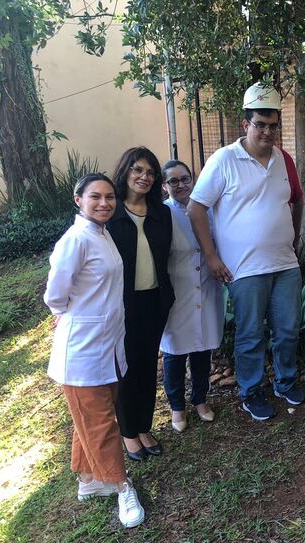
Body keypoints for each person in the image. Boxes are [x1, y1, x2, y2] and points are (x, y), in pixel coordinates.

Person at [188, 82, 304, 422]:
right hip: (244, 269)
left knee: (287, 329)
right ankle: (251, 390)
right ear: (246, 124)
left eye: (272, 125)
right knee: (251, 333)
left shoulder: (284, 160)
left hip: (284, 264)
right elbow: (196, 209)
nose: (267, 131)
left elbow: (296, 200)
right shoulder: (224, 160)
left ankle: (285, 382)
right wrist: (211, 257)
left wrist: (294, 237)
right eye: (260, 124)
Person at [44, 173, 144, 528]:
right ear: (78, 200)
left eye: (110, 197)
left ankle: (89, 481)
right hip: (82, 352)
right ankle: (121, 487)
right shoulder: (75, 240)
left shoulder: (102, 235)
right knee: (101, 423)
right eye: (95, 197)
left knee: (89, 419)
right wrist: (65, 314)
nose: (104, 203)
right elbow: (55, 295)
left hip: (107, 346)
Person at [108, 147, 174, 461]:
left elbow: (165, 257)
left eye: (149, 172)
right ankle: (128, 432)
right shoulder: (111, 214)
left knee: (148, 367)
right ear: (125, 172)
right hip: (122, 306)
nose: (143, 177)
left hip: (154, 300)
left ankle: (144, 427)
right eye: (137, 170)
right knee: (126, 369)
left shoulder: (162, 213)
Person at [160, 160, 225, 432]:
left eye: (185, 178)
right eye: (173, 181)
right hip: (177, 291)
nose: (181, 185)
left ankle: (200, 399)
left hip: (206, 286)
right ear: (164, 186)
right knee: (174, 352)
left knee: (202, 347)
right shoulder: (162, 214)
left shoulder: (206, 208)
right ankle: (177, 407)